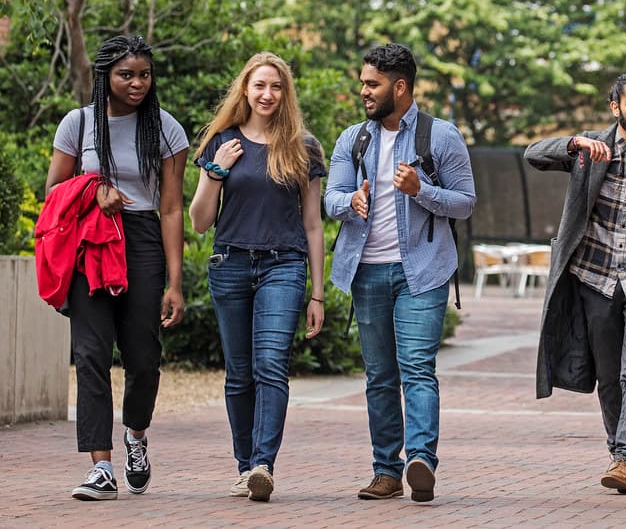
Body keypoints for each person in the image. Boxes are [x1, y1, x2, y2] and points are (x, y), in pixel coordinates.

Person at [324, 43, 476, 503]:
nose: (364, 91)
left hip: (423, 273)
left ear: (400, 86)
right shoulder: (354, 139)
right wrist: (350, 202)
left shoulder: (441, 136)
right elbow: (330, 197)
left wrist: (422, 189)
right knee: (379, 375)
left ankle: (421, 460)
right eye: (364, 82)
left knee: (416, 368)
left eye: (372, 84)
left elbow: (466, 202)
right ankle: (386, 471)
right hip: (367, 272)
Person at [44, 35, 188, 501]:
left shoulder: (166, 129)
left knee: (143, 358)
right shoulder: (78, 124)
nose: (138, 83)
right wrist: (93, 188)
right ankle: (100, 467)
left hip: (143, 238)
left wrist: (175, 281)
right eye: (127, 74)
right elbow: (53, 192)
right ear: (105, 76)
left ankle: (136, 437)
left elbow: (170, 208)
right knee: (90, 355)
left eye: (145, 74)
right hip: (91, 242)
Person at [189, 52, 326, 502]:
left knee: (271, 367)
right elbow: (199, 222)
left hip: (283, 266)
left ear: (286, 93)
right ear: (245, 90)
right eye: (259, 85)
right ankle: (244, 465)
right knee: (239, 373)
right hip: (228, 264)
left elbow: (312, 224)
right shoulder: (223, 141)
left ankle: (263, 464)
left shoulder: (303, 147)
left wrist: (318, 293)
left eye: (276, 86)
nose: (267, 94)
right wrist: (216, 170)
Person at [527, 70, 626, 494]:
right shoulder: (591, 148)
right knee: (609, 375)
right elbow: (533, 153)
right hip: (595, 278)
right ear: (615, 107)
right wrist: (573, 143)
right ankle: (616, 452)